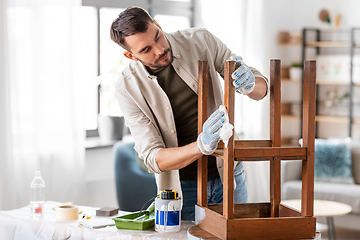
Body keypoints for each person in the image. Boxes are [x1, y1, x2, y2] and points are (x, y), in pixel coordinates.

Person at [110, 6, 269, 220]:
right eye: (146, 49)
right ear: (130, 55)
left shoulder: (201, 40)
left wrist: (249, 84)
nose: (159, 50)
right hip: (181, 189)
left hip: (230, 174)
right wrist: (200, 146)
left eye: (158, 37)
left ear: (158, 25)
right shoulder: (128, 88)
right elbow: (152, 157)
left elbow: (262, 90)